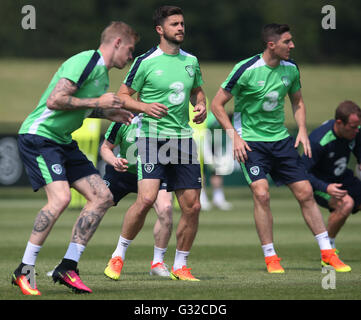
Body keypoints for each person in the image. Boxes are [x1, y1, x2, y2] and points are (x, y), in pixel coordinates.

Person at [211, 23, 351, 273]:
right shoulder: (245, 69)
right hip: (251, 142)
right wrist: (234, 137)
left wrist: (303, 131)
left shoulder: (291, 68)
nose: (292, 45)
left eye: (292, 40)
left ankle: (328, 253)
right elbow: (217, 105)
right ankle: (271, 257)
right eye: (288, 41)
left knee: (306, 193)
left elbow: (297, 101)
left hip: (281, 141)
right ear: (271, 45)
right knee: (262, 193)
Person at [11, 21, 138, 295]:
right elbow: (55, 101)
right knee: (60, 199)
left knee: (102, 197)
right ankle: (24, 269)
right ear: (117, 43)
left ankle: (68, 267)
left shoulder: (102, 77)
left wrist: (107, 114)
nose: (130, 57)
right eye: (129, 50)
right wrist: (98, 104)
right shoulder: (85, 61)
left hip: (63, 142)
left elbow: (80, 106)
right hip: (40, 137)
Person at [104, 5, 207, 282]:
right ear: (160, 30)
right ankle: (118, 255)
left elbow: (197, 91)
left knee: (192, 207)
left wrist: (201, 105)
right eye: (175, 24)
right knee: (147, 199)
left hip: (183, 140)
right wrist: (144, 106)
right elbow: (121, 96)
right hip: (152, 138)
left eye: (182, 23)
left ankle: (181, 265)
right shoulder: (145, 61)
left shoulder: (191, 61)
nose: (181, 28)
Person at [100, 116, 173, 278]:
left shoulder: (164, 120)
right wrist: (114, 161)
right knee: (95, 205)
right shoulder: (123, 120)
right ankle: (70, 261)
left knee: (166, 209)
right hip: (124, 172)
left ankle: (157, 263)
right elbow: (105, 148)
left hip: (154, 172)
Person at [302, 101, 361, 254]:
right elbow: (302, 173)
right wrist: (325, 187)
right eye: (353, 127)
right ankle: (328, 248)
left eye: (358, 126)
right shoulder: (318, 140)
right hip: (321, 183)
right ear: (339, 123)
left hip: (343, 177)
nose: (356, 131)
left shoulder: (355, 131)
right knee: (346, 204)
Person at [200, 111, 233, 211]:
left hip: (214, 144)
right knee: (201, 171)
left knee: (217, 169)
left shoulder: (229, 123)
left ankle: (218, 198)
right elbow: (203, 131)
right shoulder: (211, 118)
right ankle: (202, 198)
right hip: (202, 142)